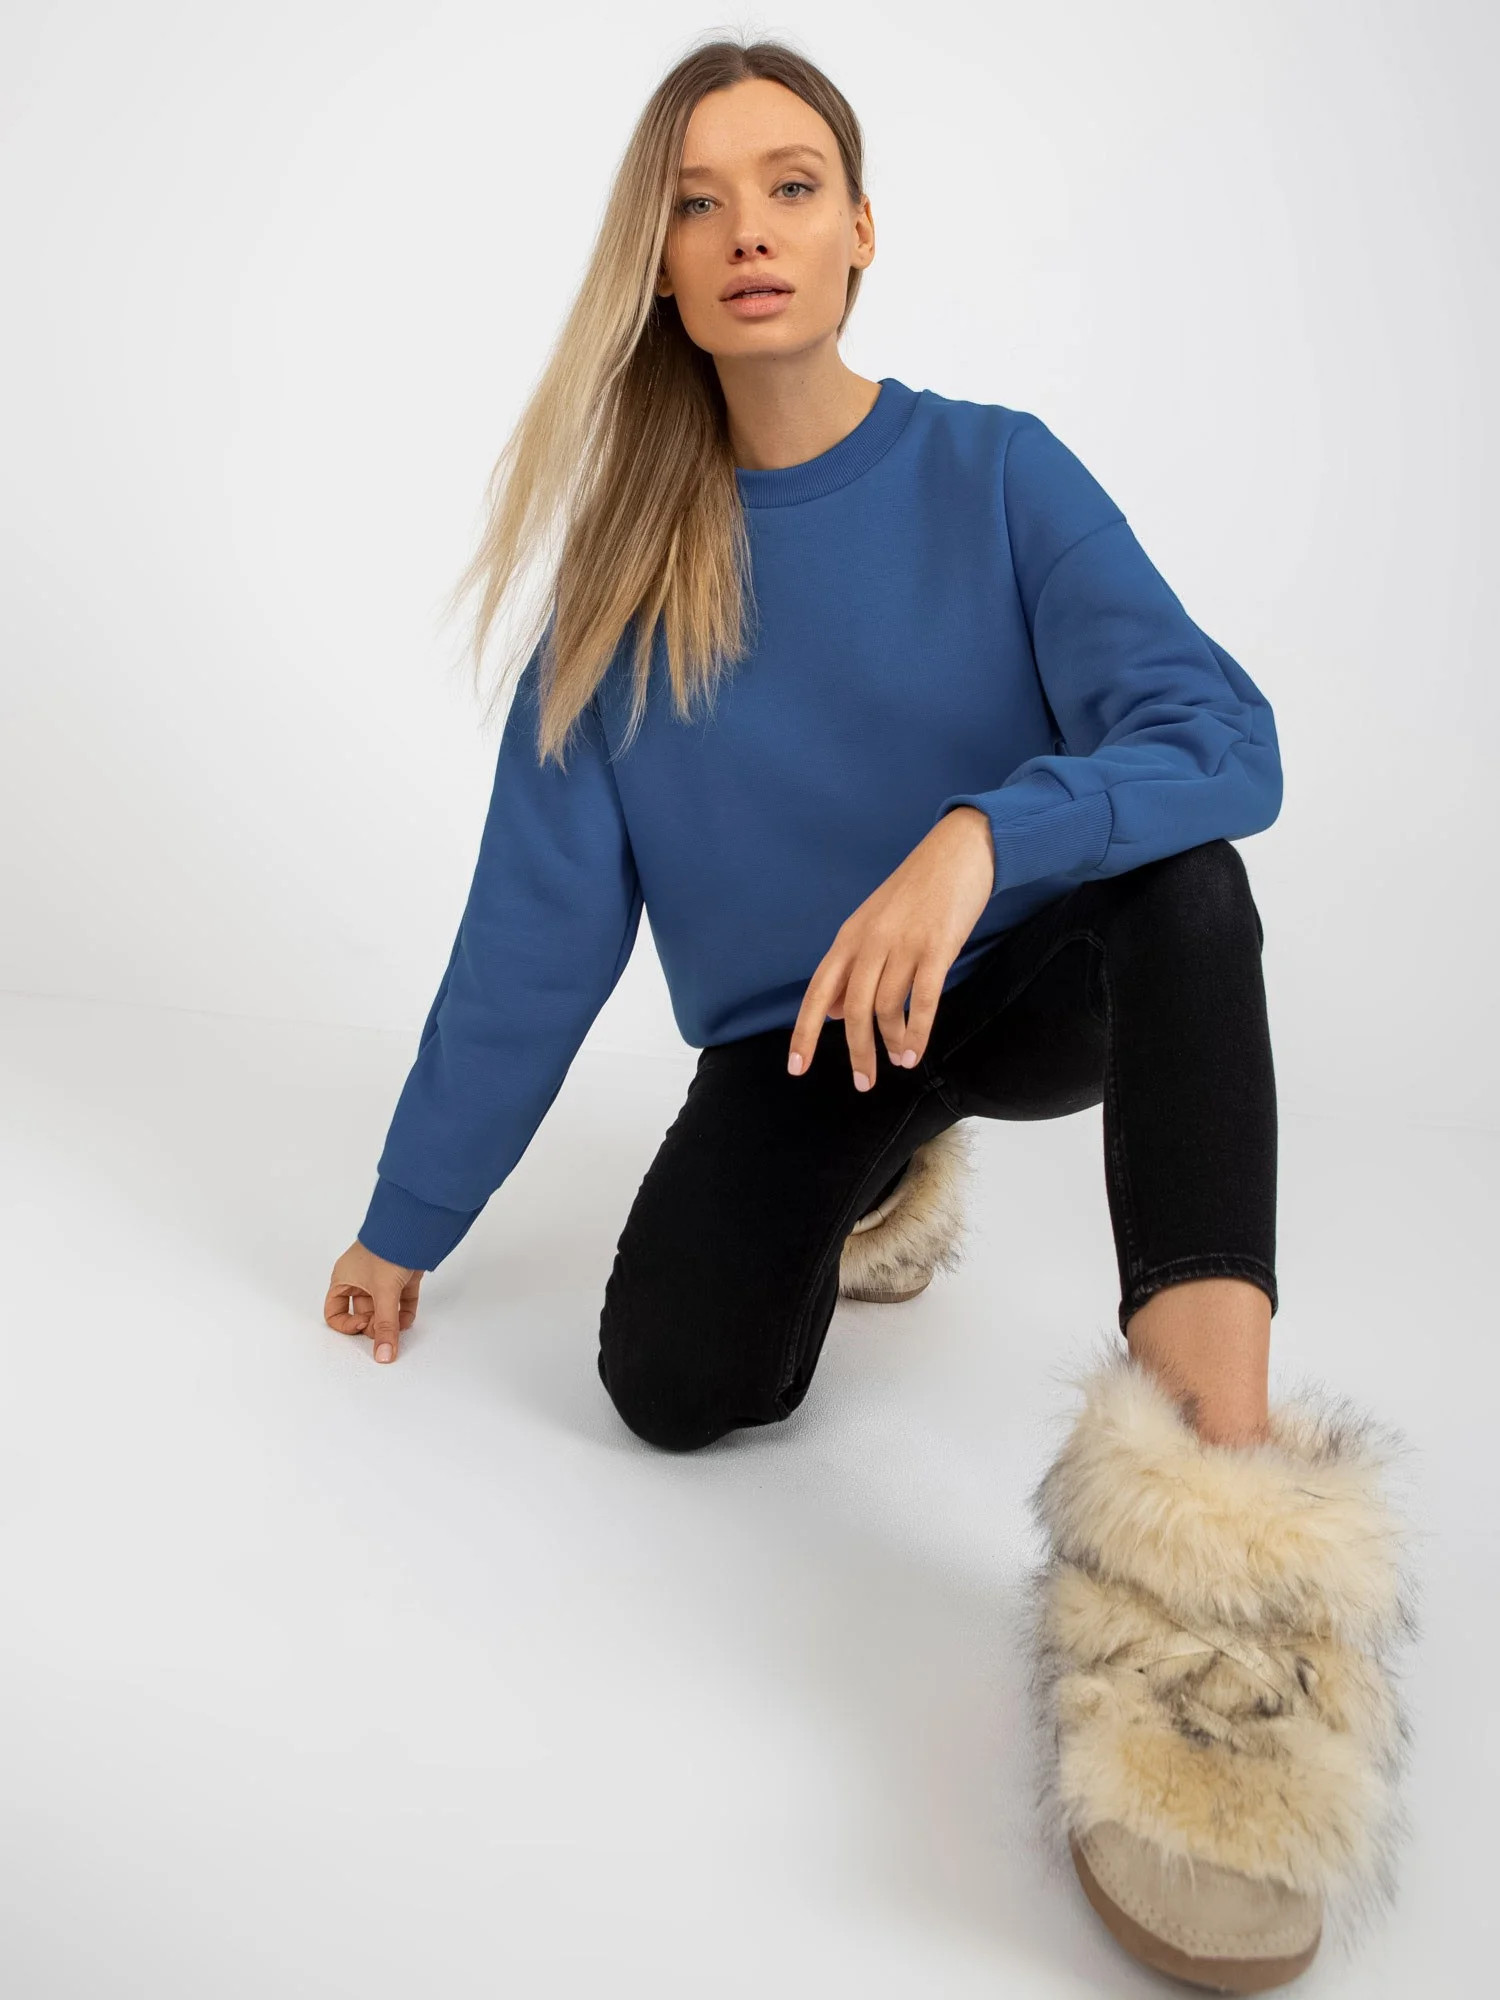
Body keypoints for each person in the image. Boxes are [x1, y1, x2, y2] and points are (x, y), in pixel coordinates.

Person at [322, 37, 1417, 1992]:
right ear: (657, 263)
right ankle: (884, 1177)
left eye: (791, 184)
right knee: (672, 1388)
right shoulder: (615, 602)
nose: (748, 229)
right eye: (697, 199)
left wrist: (984, 839)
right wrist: (404, 1223)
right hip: (808, 1044)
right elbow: (528, 947)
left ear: (859, 236)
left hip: (1036, 966)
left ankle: (1210, 1564)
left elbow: (1221, 740)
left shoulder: (993, 474)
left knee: (1190, 885)